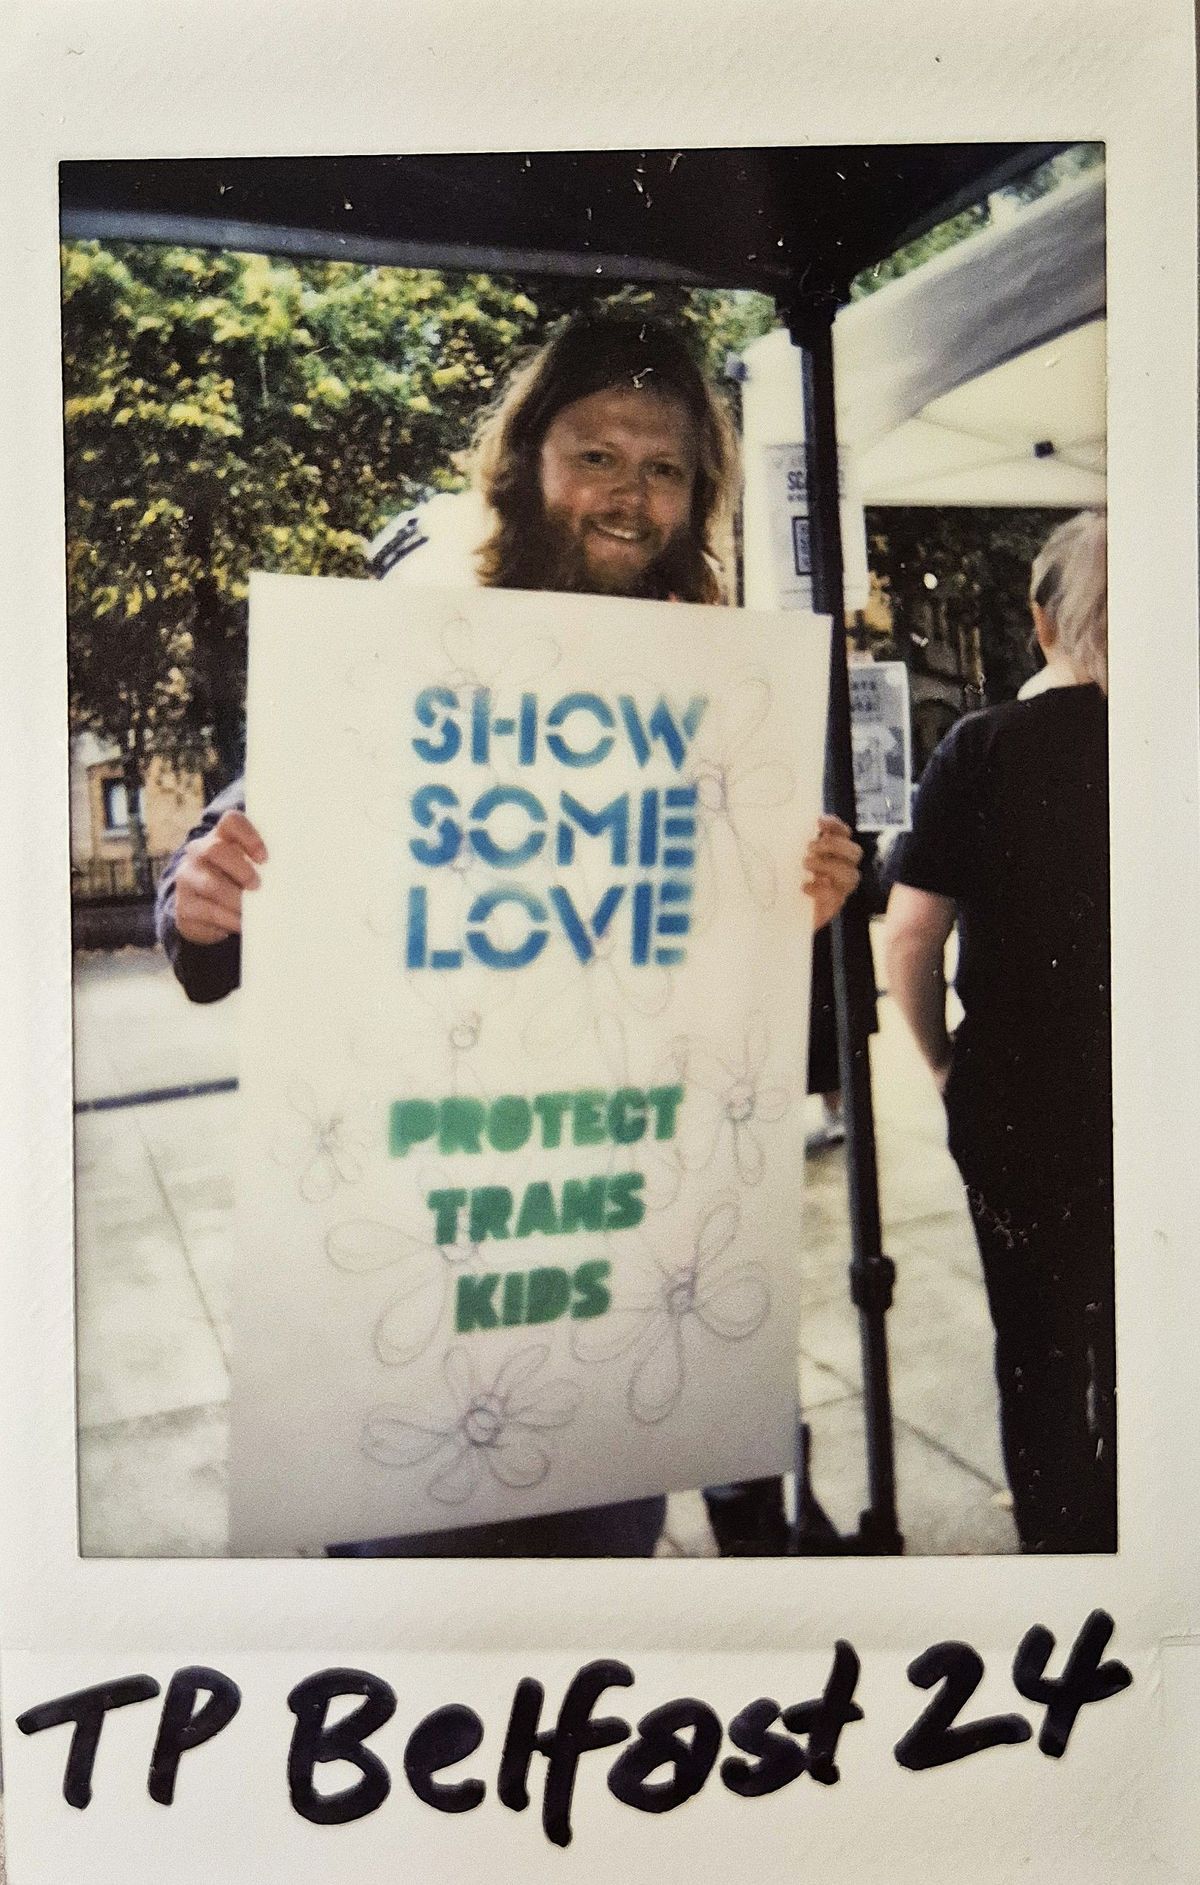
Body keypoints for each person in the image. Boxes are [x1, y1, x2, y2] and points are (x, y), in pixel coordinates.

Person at [157, 311, 864, 1556]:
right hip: (421, 1252)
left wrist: (793, 901)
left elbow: (718, 967)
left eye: (664, 469)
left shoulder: (719, 694)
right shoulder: (415, 643)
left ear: (697, 494)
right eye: (597, 455)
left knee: (590, 1591)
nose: (630, 497)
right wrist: (200, 898)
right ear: (530, 457)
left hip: (607, 1247)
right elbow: (236, 854)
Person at [883, 510, 1114, 1553]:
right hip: (1155, 1096)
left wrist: (937, 1059)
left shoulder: (979, 747)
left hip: (1017, 1101)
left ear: (1038, 622)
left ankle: (1065, 1552)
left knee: (1038, 1342)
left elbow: (911, 940)